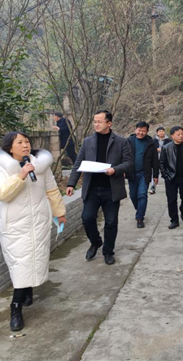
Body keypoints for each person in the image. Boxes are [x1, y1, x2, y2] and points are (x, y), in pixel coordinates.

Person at [0, 132, 67, 331]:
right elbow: (1, 194)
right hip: (15, 226)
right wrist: (21, 176)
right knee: (20, 264)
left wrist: (59, 213)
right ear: (9, 148)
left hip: (38, 222)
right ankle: (15, 307)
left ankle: (28, 290)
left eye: (27, 142)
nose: (25, 145)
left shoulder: (40, 167)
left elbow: (52, 190)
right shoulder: (0, 169)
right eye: (20, 142)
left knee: (34, 258)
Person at [66, 111, 132, 265]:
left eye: (99, 121)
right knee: (87, 218)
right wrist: (71, 184)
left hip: (111, 189)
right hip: (92, 189)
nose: (96, 124)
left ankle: (108, 251)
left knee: (111, 222)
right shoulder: (87, 141)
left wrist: (115, 170)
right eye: (95, 121)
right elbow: (78, 163)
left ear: (109, 123)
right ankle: (96, 242)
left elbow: (129, 163)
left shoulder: (121, 142)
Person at [159, 126, 183, 229]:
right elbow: (162, 163)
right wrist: (165, 175)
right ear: (172, 136)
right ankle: (174, 220)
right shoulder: (166, 148)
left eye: (182, 134)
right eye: (178, 134)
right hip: (171, 178)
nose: (181, 136)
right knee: (171, 200)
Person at [126, 121, 159, 228]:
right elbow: (123, 157)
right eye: (139, 130)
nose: (141, 133)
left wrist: (156, 175)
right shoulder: (128, 141)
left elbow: (155, 160)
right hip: (131, 173)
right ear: (135, 129)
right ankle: (140, 209)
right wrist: (122, 170)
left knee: (142, 194)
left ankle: (140, 218)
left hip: (144, 173)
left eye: (143, 131)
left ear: (147, 131)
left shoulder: (151, 143)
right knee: (133, 195)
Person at [150, 126, 171, 195]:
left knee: (167, 174)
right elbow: (150, 149)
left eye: (162, 131)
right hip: (156, 160)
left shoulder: (169, 141)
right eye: (160, 131)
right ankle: (153, 187)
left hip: (166, 160)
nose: (161, 132)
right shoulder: (153, 141)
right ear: (157, 133)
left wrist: (162, 150)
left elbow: (171, 149)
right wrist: (156, 150)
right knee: (154, 174)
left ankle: (169, 188)